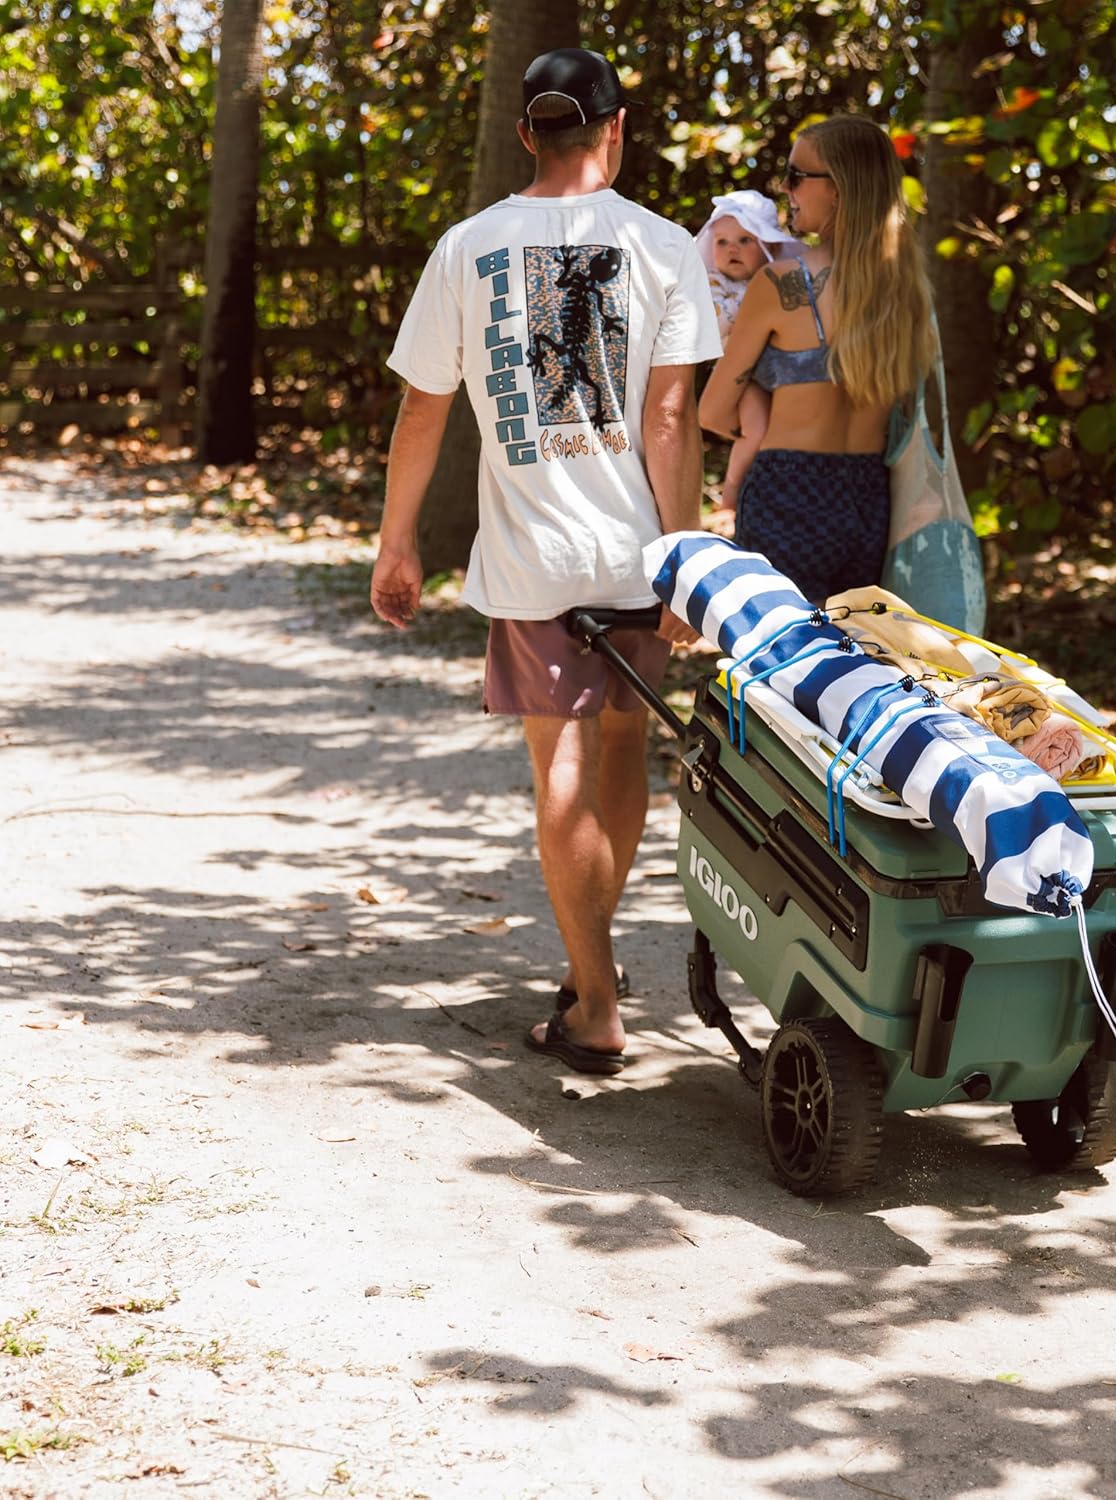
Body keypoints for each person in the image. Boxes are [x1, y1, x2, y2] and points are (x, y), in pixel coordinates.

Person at [370, 47, 721, 1075]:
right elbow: (671, 419)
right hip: (636, 553)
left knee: (559, 762)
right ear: (617, 128)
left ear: (526, 133)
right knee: (622, 748)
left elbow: (422, 408)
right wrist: (686, 559)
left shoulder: (466, 247)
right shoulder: (664, 246)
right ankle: (588, 967)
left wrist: (398, 538)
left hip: (535, 561)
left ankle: (595, 998)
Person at [699, 116, 937, 603]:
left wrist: (759, 412)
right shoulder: (906, 288)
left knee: (780, 645)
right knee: (854, 643)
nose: (785, 188)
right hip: (871, 496)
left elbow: (712, 412)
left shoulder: (782, 282)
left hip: (787, 492)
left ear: (838, 188)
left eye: (796, 176)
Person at [693, 190, 800, 512]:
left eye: (744, 240)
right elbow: (718, 322)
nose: (732, 249)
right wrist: (757, 298)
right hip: (742, 374)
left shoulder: (782, 282)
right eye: (722, 242)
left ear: (771, 248)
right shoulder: (714, 285)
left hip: (780, 369)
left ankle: (769, 489)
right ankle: (730, 497)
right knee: (756, 429)